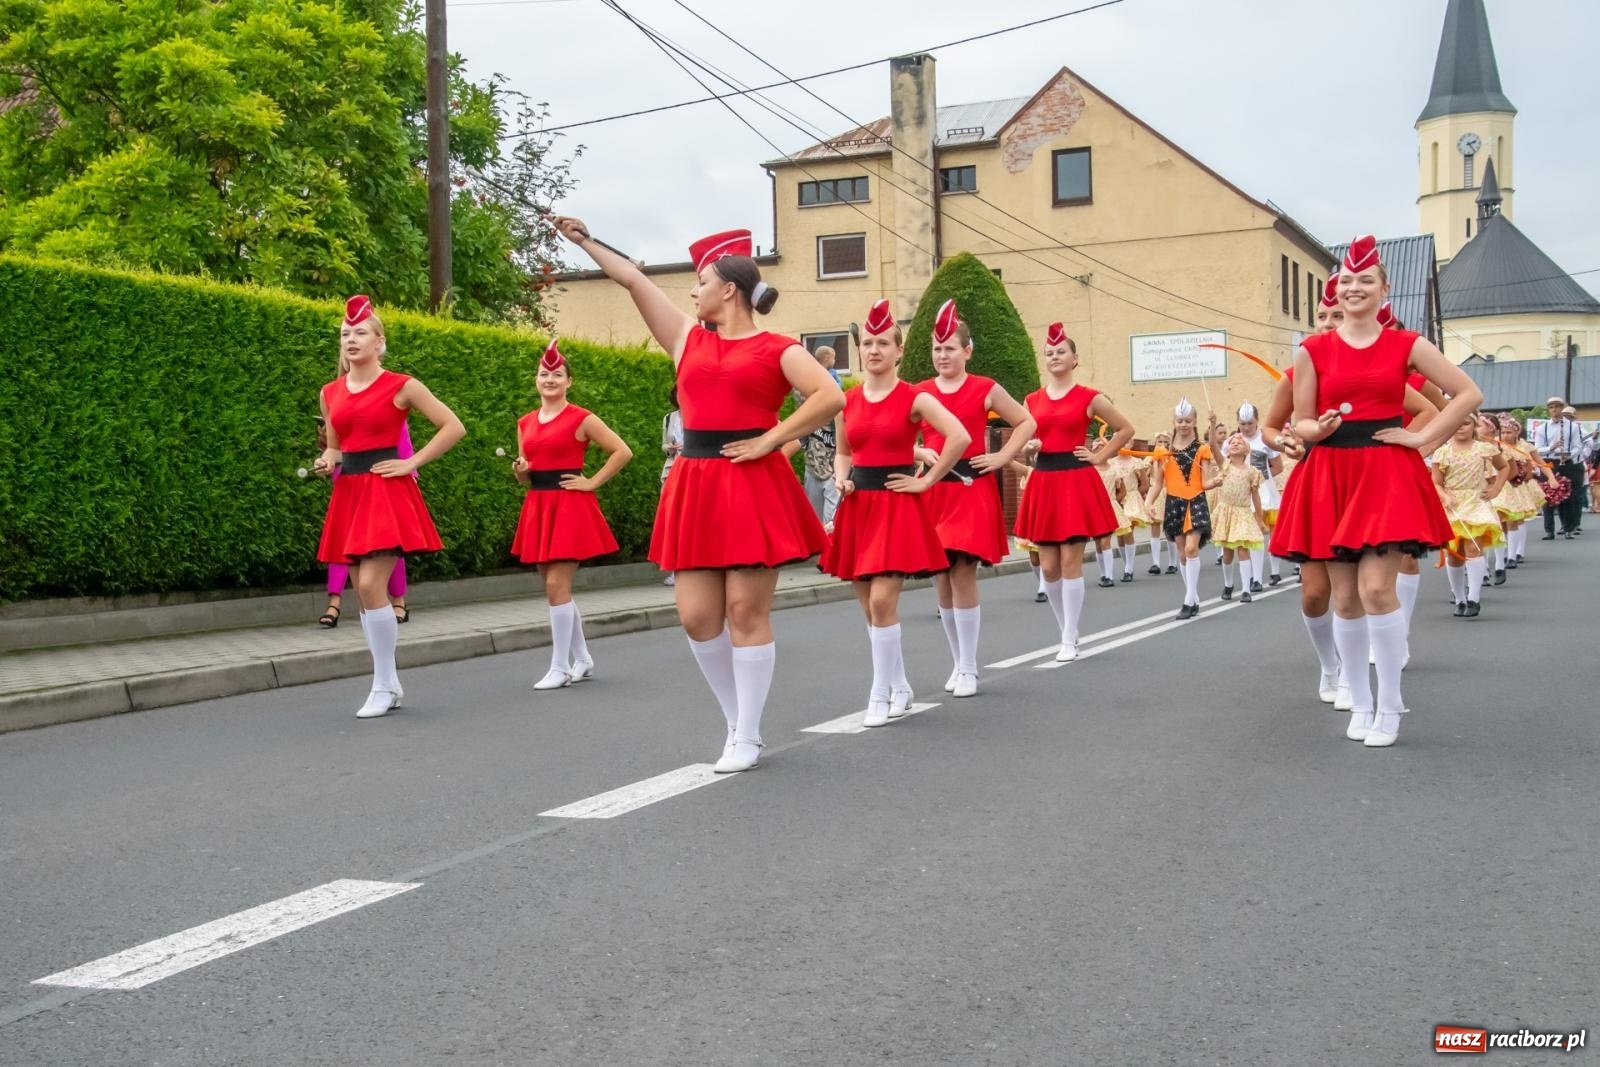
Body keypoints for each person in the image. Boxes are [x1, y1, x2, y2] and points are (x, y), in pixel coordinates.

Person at [555, 218, 843, 773]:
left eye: (701, 280)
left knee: (744, 610)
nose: (692, 290)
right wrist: (587, 241)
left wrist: (771, 438)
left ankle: (748, 733)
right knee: (695, 616)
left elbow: (829, 397)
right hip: (696, 481)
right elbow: (634, 282)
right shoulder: (687, 338)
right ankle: (736, 720)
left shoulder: (777, 348)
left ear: (728, 289)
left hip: (752, 483)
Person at [1272, 235, 1480, 747]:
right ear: (1336, 290)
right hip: (1331, 473)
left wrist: (1422, 437)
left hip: (1385, 473)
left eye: (1366, 281)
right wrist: (1312, 431)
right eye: (1347, 281)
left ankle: (1390, 704)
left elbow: (1467, 393)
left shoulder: (1405, 345)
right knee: (1343, 598)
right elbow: (1296, 420)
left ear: (1385, 290)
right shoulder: (1311, 350)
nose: (1355, 288)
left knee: (1375, 591)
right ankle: (1359, 702)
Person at [315, 295, 466, 718]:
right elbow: (335, 447)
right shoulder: (329, 393)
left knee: (367, 587)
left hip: (386, 492)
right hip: (351, 494)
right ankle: (388, 682)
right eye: (346, 334)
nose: (351, 339)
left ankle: (384, 683)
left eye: (360, 332)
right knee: (364, 595)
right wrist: (328, 461)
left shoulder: (401, 385)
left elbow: (453, 426)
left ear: (380, 342)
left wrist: (412, 461)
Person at [820, 300, 967, 726]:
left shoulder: (914, 397)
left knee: (883, 601)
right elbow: (844, 452)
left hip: (896, 505)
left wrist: (926, 480)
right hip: (858, 506)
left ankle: (879, 693)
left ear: (899, 351)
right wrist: (841, 478)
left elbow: (956, 437)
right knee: (869, 608)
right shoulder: (846, 400)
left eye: (883, 342)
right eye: (867, 342)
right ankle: (899, 684)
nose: (874, 349)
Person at [913, 299, 1037, 698]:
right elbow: (891, 434)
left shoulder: (984, 388)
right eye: (936, 348)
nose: (942, 355)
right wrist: (918, 453)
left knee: (962, 572)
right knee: (941, 580)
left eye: (949, 347)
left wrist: (1002, 456)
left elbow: (1026, 421)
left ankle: (969, 667)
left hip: (969, 489)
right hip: (933, 491)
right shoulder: (921, 392)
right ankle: (957, 660)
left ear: (968, 351)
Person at [511, 339, 633, 690]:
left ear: (569, 381)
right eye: (543, 374)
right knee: (553, 586)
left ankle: (560, 666)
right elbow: (526, 475)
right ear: (536, 379)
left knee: (555, 585)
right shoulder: (525, 422)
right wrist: (520, 470)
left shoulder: (582, 418)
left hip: (569, 505)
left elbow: (622, 451)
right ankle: (582, 659)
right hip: (538, 504)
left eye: (557, 374)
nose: (549, 379)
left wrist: (592, 481)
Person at [1014, 323, 1132, 662]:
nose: (1054, 357)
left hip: (1076, 480)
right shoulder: (1031, 400)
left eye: (1061, 352)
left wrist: (1098, 456)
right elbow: (1026, 441)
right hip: (1044, 479)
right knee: (1048, 568)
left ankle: (1068, 637)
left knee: (1069, 561)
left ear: (1075, 358)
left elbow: (1126, 429)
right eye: (1049, 353)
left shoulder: (1088, 396)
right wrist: (1031, 447)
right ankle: (1066, 626)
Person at [318, 416, 412, 627]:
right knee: (342, 548)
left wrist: (410, 467)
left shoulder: (388, 395)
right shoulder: (334, 396)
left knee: (385, 550)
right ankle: (334, 602)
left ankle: (398, 600)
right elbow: (333, 448)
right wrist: (327, 457)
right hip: (349, 482)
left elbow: (401, 437)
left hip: (383, 484)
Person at [1431, 413, 1508, 618]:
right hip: (1453, 504)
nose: (1460, 427)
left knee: (1474, 548)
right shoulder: (1443, 452)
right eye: (1456, 423)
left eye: (1465, 423)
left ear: (1474, 425)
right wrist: (1444, 496)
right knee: (1455, 555)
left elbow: (1504, 467)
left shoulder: (1485, 449)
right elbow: (1436, 481)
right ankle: (1459, 598)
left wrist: (1496, 489)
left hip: (1476, 502)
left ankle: (1474, 598)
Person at [1155, 398, 1221, 619]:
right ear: (1174, 422)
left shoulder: (1201, 449)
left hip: (1195, 501)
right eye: (1180, 420)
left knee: (1192, 549)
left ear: (1194, 422)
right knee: (1182, 554)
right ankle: (1193, 598)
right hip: (1174, 503)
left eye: (1188, 420)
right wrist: (1148, 505)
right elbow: (1157, 483)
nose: (1183, 424)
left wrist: (1217, 481)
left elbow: (1205, 482)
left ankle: (1188, 600)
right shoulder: (1164, 452)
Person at [1212, 432, 1268, 603]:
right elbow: (1212, 446)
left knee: (1243, 548)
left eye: (1239, 442)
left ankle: (1245, 589)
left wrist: (1259, 518)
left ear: (1247, 450)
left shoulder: (1252, 472)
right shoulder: (1224, 464)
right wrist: (1213, 425)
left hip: (1243, 512)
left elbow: (1255, 496)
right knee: (1227, 553)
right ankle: (1228, 584)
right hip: (1226, 511)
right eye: (1232, 442)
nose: (1235, 444)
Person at [1234, 402, 1283, 590]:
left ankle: (1275, 571)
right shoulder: (1234, 441)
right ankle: (1256, 578)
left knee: (1271, 532)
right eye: (1243, 423)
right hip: (1244, 494)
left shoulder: (1265, 439)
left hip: (1265, 491)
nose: (1246, 427)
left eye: (1250, 423)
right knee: (1254, 535)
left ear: (1257, 421)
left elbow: (1277, 466)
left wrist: (1260, 479)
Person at [1534, 398, 1586, 539]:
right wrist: (1551, 447)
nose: (1555, 410)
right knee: (1548, 495)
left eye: (1557, 407)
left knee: (1569, 495)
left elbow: (1578, 446)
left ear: (1562, 408)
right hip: (1550, 462)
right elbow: (1537, 449)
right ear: (1548, 410)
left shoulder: (1573, 427)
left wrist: (1568, 455)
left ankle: (1568, 528)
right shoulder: (1542, 428)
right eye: (1552, 407)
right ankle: (1549, 530)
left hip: (1567, 462)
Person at [660, 387, 683, 586]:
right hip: (673, 470)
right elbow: (664, 445)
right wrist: (670, 448)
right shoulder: (670, 418)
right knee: (672, 519)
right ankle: (676, 569)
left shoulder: (701, 414)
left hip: (696, 470)